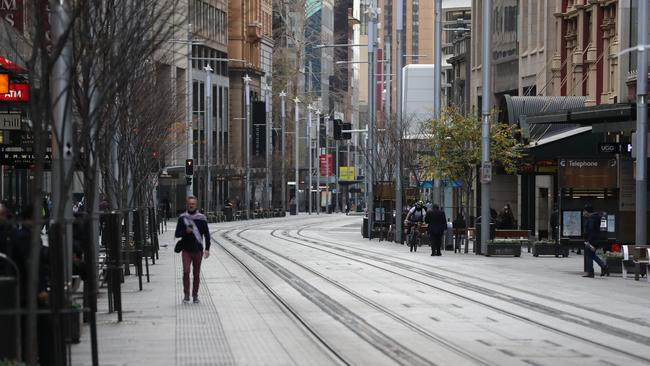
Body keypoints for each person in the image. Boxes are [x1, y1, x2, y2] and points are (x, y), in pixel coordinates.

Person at [175, 196, 211, 303]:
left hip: (198, 250)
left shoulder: (202, 218)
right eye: (189, 203)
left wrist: (207, 249)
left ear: (196, 205)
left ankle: (195, 295)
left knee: (196, 274)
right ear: (187, 204)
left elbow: (207, 235)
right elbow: (177, 234)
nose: (191, 205)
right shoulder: (182, 218)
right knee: (186, 271)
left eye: (193, 204)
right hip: (186, 249)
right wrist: (186, 231)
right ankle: (186, 294)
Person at [582, 204, 609, 278]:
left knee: (589, 255)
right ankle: (603, 266)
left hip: (592, 241)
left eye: (584, 211)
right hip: (595, 240)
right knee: (592, 255)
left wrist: (589, 242)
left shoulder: (592, 219)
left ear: (587, 211)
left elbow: (591, 231)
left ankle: (591, 272)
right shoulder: (594, 217)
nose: (583, 213)